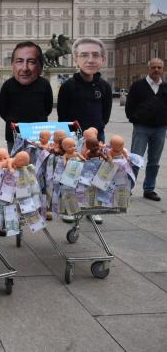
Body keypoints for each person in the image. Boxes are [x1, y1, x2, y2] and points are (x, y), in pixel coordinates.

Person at [57, 37, 112, 224]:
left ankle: (91, 207)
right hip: (73, 138)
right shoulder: (67, 87)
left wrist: (96, 131)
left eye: (96, 55)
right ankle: (68, 208)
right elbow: (63, 115)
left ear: (103, 60)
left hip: (97, 137)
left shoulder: (104, 87)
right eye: (84, 55)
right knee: (71, 174)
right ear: (75, 59)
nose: (90, 60)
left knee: (94, 173)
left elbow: (105, 114)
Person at [125, 58, 167, 201]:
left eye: (159, 68)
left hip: (160, 129)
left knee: (154, 161)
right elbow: (129, 105)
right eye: (153, 67)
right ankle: (127, 189)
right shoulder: (138, 86)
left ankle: (149, 189)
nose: (156, 70)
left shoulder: (165, 87)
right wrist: (135, 119)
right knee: (135, 159)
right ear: (148, 69)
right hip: (142, 128)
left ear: (163, 69)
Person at [0, 41, 53, 153]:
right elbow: (3, 112)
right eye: (19, 62)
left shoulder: (44, 84)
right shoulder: (7, 85)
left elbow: (48, 108)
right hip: (14, 138)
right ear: (12, 65)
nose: (25, 68)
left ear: (40, 66)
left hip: (39, 137)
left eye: (31, 62)